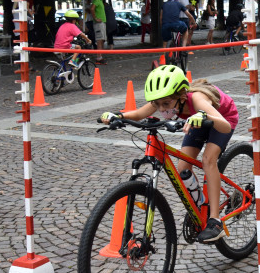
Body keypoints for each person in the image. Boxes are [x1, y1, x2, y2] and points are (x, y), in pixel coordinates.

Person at [99, 65, 238, 243]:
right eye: (157, 105)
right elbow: (138, 113)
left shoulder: (197, 99)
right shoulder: (163, 99)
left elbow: (225, 125)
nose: (162, 109)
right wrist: (117, 115)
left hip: (220, 118)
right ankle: (200, 206)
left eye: (166, 104)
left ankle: (214, 220)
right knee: (182, 168)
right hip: (194, 121)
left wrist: (203, 117)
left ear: (180, 97)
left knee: (208, 160)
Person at [90, 0, 107, 64]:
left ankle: (101, 56)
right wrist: (95, 18)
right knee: (99, 40)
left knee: (102, 39)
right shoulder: (97, 0)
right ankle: (99, 58)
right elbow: (92, 8)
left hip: (102, 23)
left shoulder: (100, 0)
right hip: (98, 24)